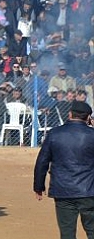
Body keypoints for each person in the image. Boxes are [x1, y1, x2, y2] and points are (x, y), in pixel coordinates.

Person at [34, 101, 94, 239]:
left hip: (63, 190)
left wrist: (38, 186)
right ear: (88, 118)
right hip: (89, 190)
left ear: (70, 114)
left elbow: (42, 161)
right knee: (92, 230)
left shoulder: (54, 134)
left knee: (67, 233)